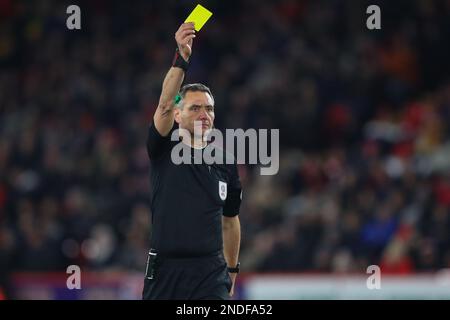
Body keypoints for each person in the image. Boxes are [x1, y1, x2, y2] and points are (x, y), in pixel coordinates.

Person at [142, 22, 242, 300]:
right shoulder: (163, 147)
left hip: (210, 273)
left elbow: (230, 221)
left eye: (209, 108)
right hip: (165, 270)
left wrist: (232, 270)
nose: (204, 114)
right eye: (195, 108)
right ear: (177, 115)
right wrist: (181, 58)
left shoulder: (225, 162)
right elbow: (164, 102)